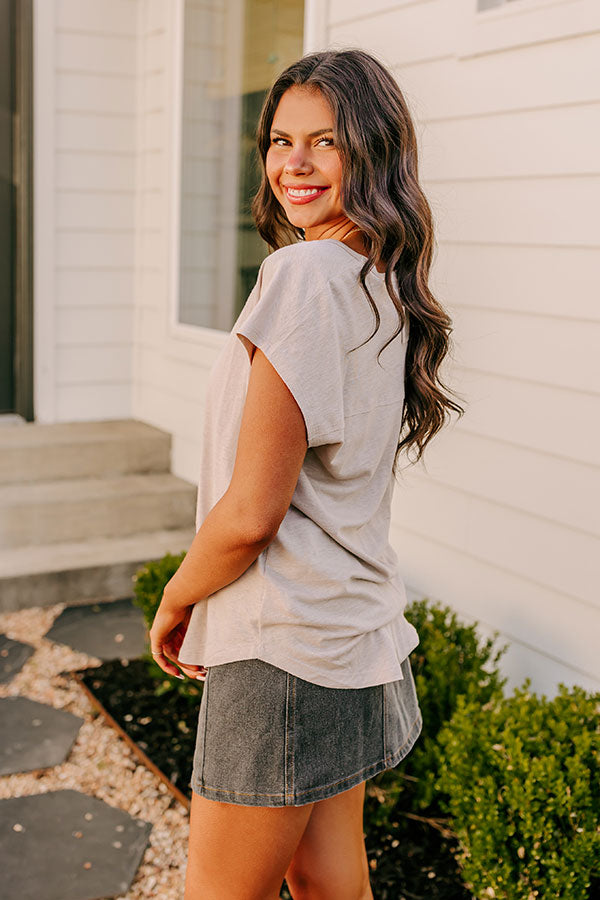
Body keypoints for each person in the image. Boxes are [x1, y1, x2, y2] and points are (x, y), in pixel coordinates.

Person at [148, 48, 465, 900]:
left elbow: (253, 511)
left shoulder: (303, 275)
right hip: (347, 640)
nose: (294, 164)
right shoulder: (379, 281)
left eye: (323, 143)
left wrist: (178, 596)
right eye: (280, 141)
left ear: (370, 150)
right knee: (332, 884)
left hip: (283, 642)